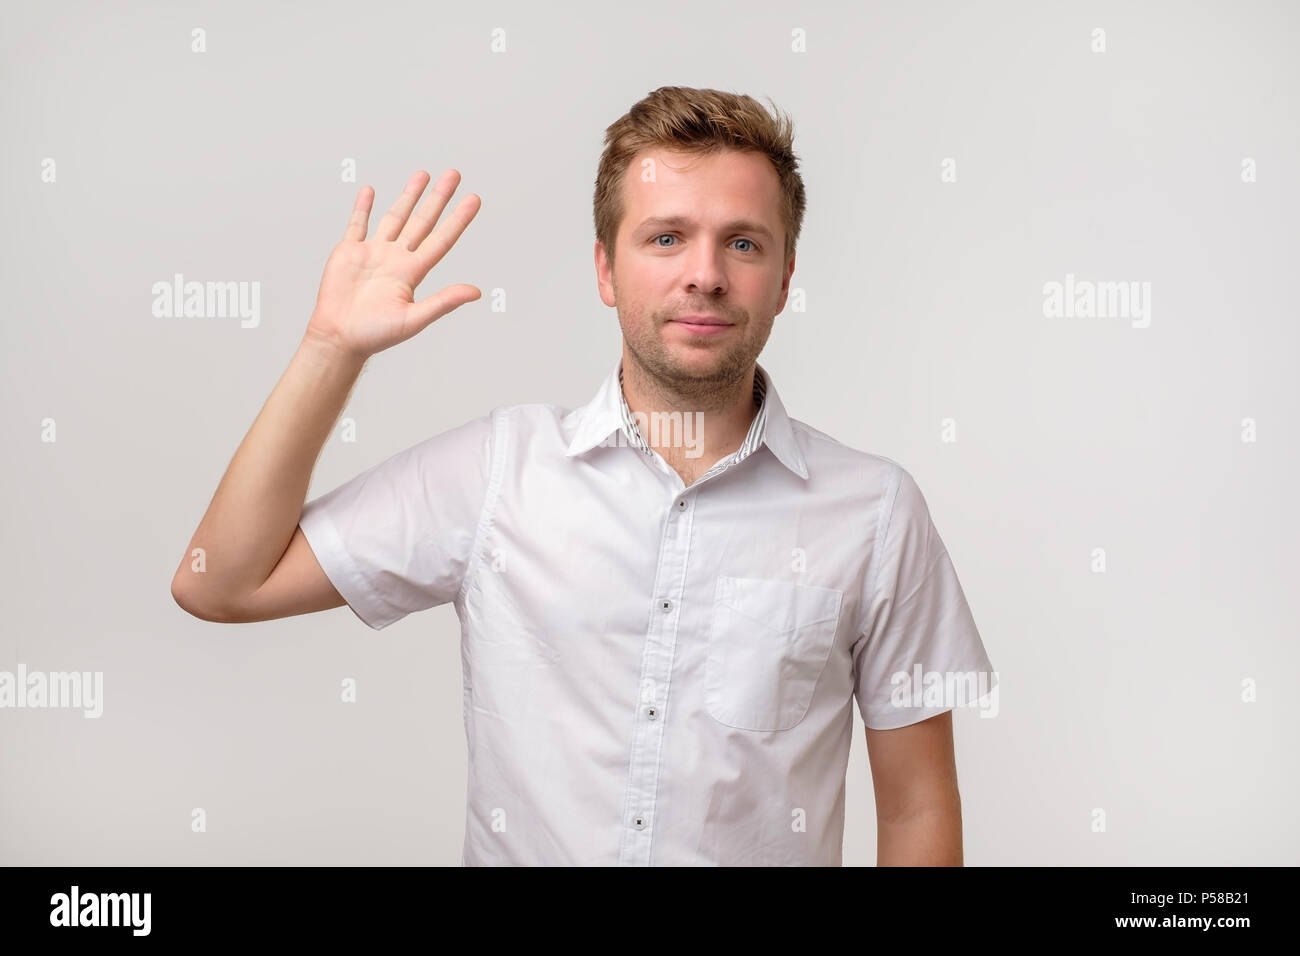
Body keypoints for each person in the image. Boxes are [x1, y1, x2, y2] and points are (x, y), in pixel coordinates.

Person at [171, 85, 997, 867]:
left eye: (742, 242)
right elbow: (221, 586)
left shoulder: (876, 512)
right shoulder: (499, 473)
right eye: (666, 237)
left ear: (784, 279)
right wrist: (331, 347)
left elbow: (918, 809)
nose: (704, 273)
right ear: (605, 270)